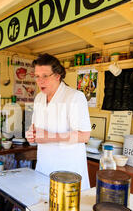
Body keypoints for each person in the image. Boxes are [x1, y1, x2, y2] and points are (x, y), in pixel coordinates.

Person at [25, 54, 91, 190]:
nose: (40, 81)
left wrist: (49, 137)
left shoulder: (74, 97)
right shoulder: (38, 98)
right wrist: (31, 134)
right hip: (44, 166)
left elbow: (84, 136)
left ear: (57, 75)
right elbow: (35, 128)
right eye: (37, 76)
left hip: (68, 170)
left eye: (45, 76)